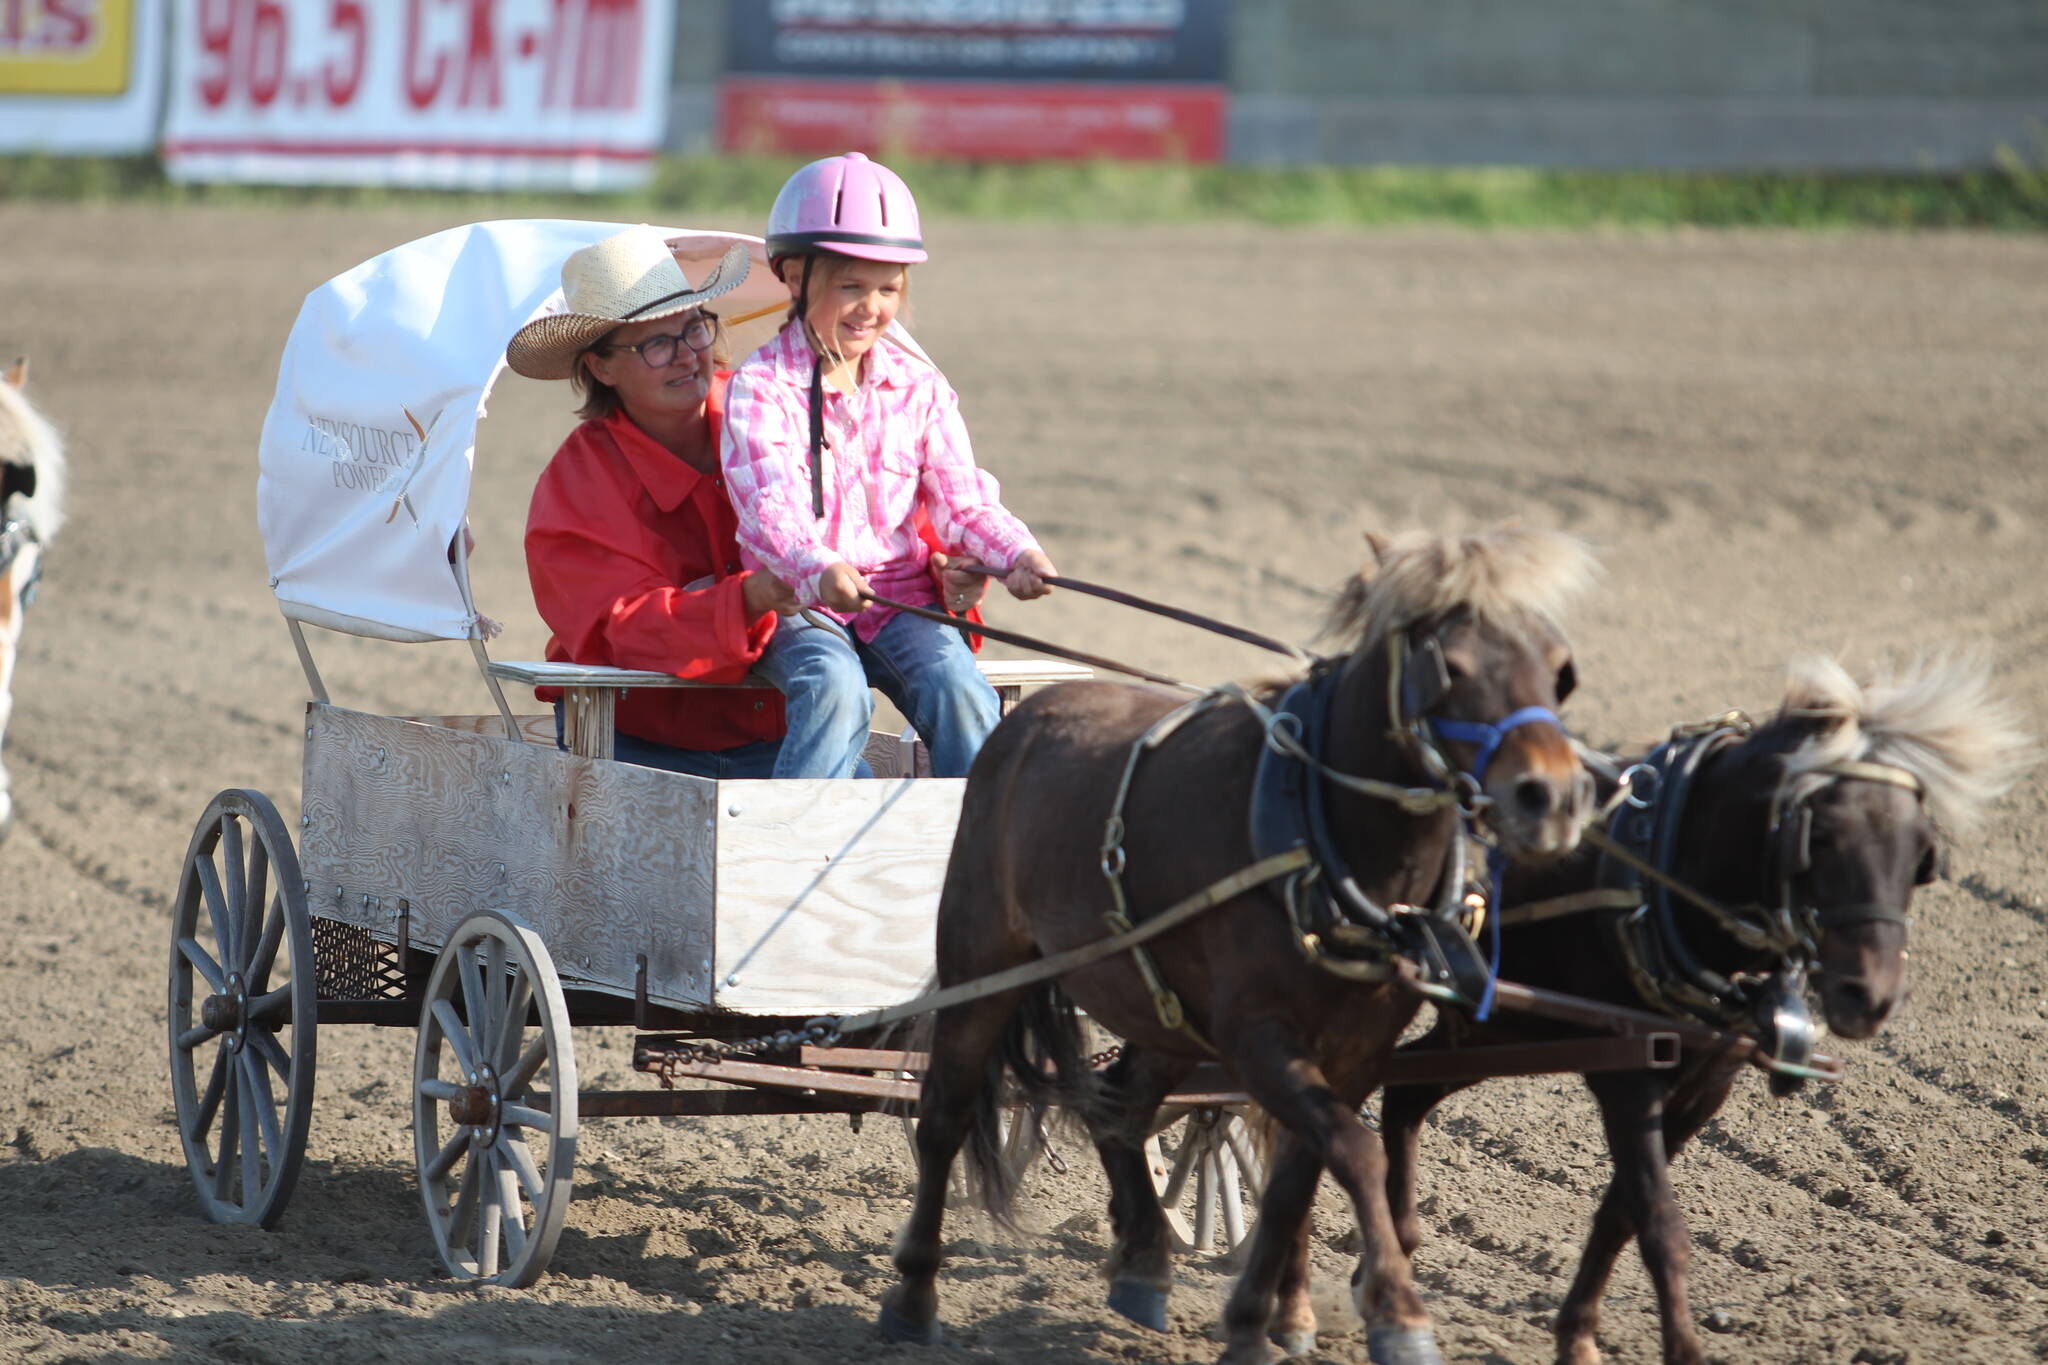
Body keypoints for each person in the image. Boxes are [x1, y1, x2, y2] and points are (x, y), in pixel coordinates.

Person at [510, 225, 989, 779]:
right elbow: (619, 630)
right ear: (601, 367)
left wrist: (944, 573)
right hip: (639, 743)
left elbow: (889, 519)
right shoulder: (577, 483)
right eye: (655, 343)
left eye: (694, 329)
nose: (688, 357)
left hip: (783, 734)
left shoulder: (775, 404)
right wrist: (749, 597)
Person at [722, 153, 1057, 779]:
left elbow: (964, 504)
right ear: (793, 275)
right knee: (834, 686)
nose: (870, 307)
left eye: (888, 288)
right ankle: (798, 852)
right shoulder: (760, 387)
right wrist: (818, 567)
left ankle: (985, 849)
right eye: (850, 285)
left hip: (903, 603)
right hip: (803, 606)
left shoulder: (922, 387)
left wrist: (1017, 556)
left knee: (959, 686)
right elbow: (770, 509)